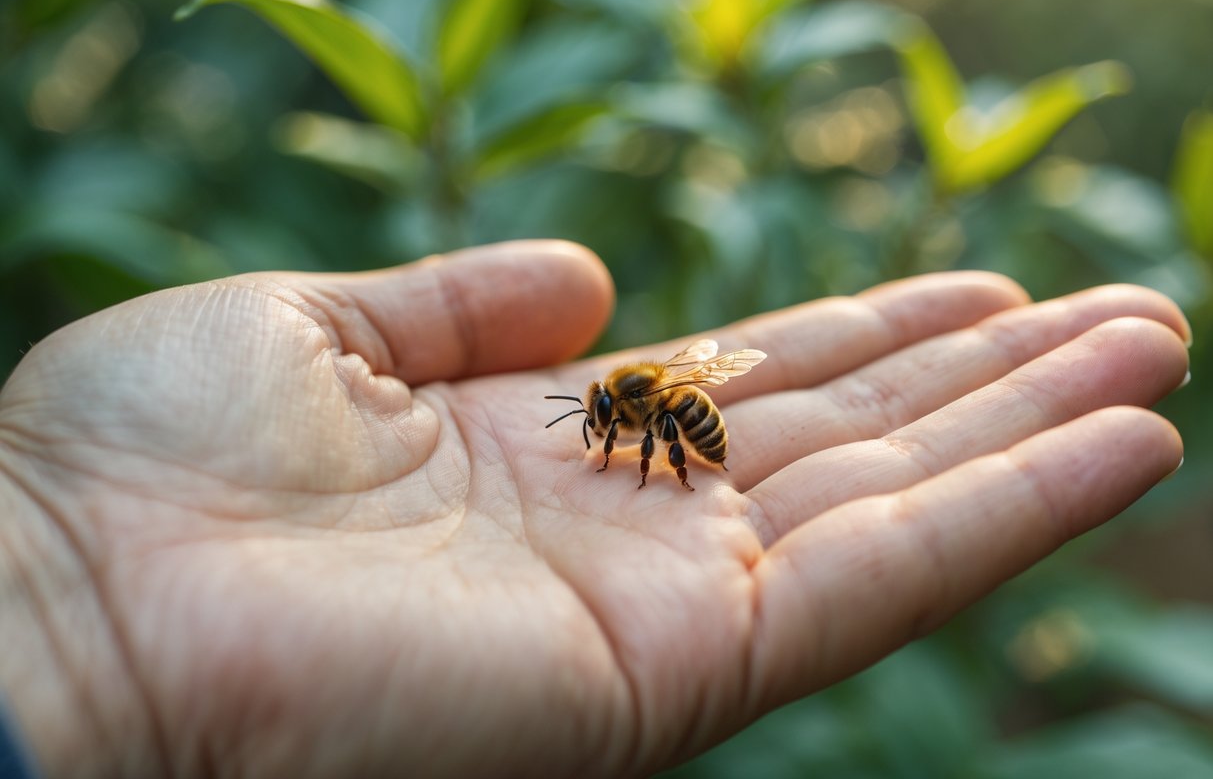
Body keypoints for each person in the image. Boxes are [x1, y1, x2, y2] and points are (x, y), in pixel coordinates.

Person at [0, 239, 1190, 778]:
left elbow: (664, 420)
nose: (610, 437)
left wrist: (76, 608)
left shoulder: (645, 413)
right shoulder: (635, 405)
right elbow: (658, 412)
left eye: (613, 431)